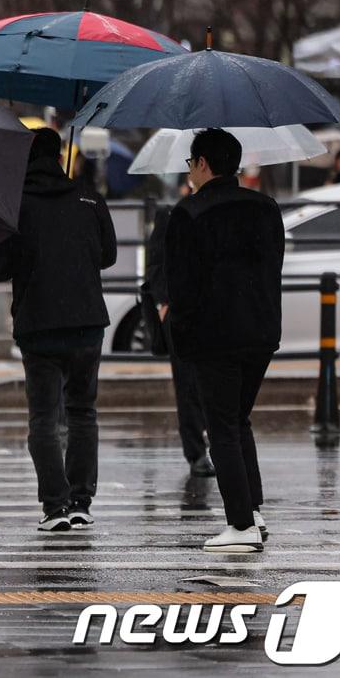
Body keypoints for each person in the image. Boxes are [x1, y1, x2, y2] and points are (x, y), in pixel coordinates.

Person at [0, 128, 117, 532]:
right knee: (82, 412)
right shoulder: (89, 199)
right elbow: (107, 256)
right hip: (87, 322)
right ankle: (80, 501)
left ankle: (54, 506)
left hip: (38, 325)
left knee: (43, 417)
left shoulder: (15, 206)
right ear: (60, 155)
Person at [165, 128, 283, 554]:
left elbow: (182, 289)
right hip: (261, 332)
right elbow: (273, 269)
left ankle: (241, 525)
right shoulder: (266, 208)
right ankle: (252, 509)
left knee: (222, 428)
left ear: (201, 163)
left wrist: (181, 338)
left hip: (214, 336)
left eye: (190, 164)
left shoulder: (189, 214)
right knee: (239, 419)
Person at [142, 184, 215, 479]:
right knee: (187, 384)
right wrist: (163, 303)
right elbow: (156, 262)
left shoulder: (219, 214)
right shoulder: (171, 214)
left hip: (214, 310)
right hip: (180, 311)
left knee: (214, 383)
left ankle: (212, 445)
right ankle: (196, 451)